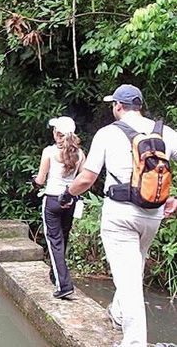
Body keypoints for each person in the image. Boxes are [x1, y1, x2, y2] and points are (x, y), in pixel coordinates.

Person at [57, 85, 177, 347]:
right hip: (152, 215)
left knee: (128, 280)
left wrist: (67, 193)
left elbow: (87, 178)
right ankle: (120, 314)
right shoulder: (165, 132)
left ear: (119, 106)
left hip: (119, 215)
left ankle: (134, 342)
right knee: (133, 268)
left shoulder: (108, 134)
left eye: (113, 105)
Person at [32, 116, 85, 299]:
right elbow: (82, 179)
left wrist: (34, 183)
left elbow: (40, 179)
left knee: (54, 241)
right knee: (63, 238)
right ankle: (56, 276)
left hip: (53, 200)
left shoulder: (49, 152)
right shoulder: (80, 154)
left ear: (57, 134)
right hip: (70, 200)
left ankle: (64, 285)